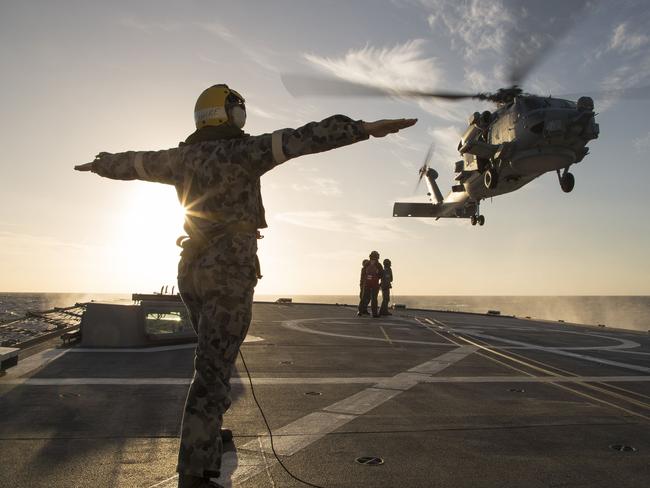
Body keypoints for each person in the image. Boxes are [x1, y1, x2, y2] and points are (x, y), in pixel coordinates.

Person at [74, 83, 416, 488]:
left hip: (192, 270)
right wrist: (363, 128)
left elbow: (135, 163)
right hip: (229, 270)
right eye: (238, 110)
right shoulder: (243, 152)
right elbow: (305, 138)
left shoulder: (179, 158)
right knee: (213, 367)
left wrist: (100, 163)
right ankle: (196, 470)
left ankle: (209, 437)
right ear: (226, 114)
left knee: (212, 357)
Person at [359, 251, 383, 318]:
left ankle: (360, 311)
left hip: (366, 283)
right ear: (377, 256)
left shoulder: (367, 264)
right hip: (375, 284)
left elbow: (363, 274)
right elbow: (381, 275)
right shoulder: (379, 265)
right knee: (374, 299)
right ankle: (374, 313)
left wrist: (362, 283)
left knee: (364, 297)